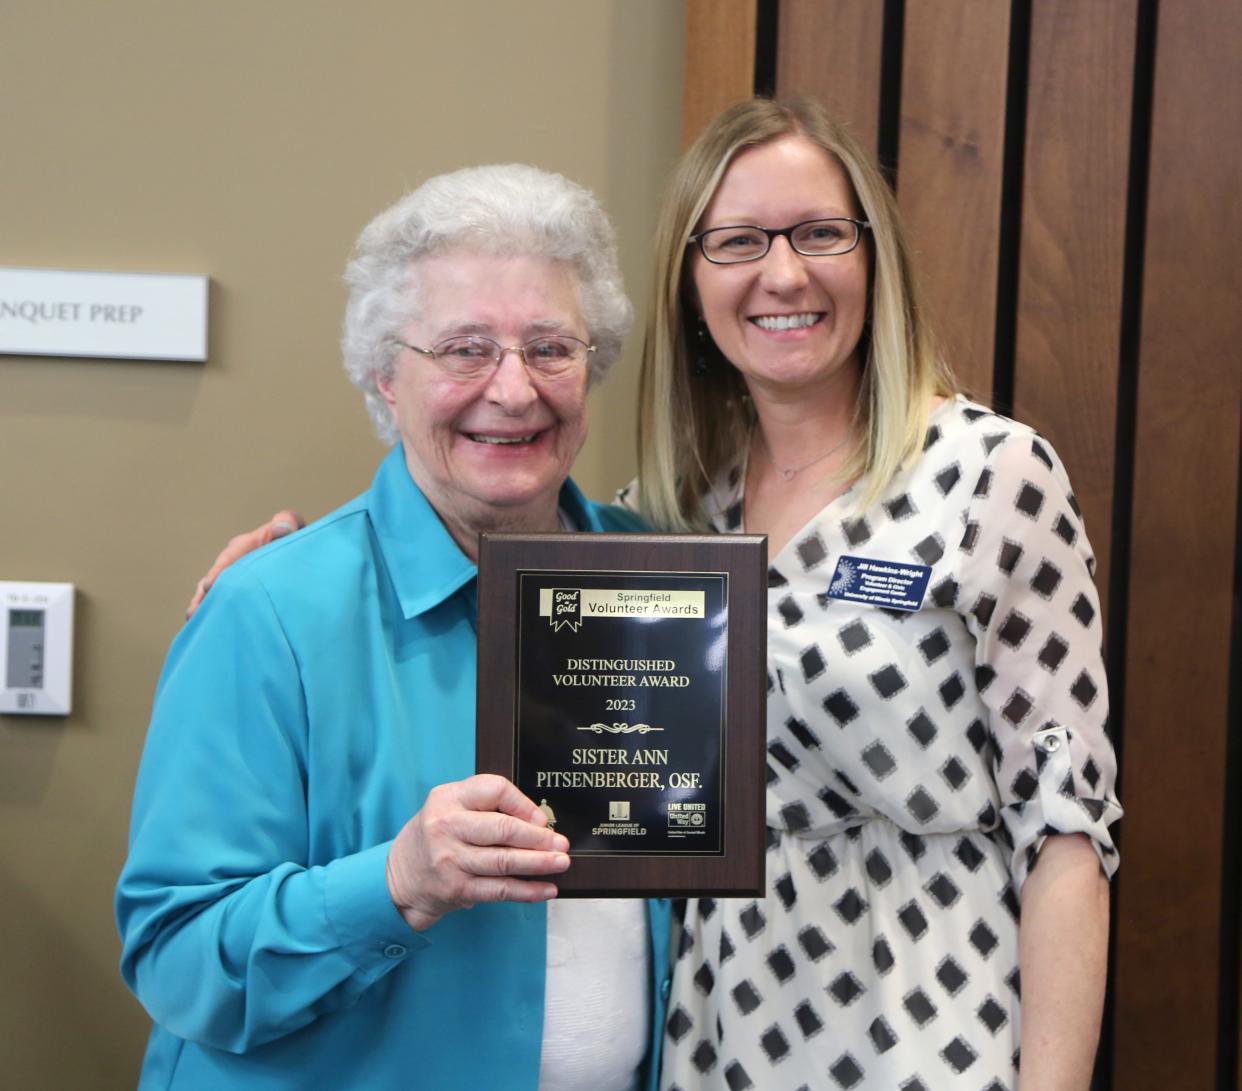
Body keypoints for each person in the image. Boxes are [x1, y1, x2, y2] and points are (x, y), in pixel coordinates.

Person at [116, 164, 671, 1090]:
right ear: (385, 374)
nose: (513, 389)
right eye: (463, 348)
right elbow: (176, 957)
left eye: (550, 346)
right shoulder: (270, 611)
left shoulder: (659, 581)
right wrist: (395, 883)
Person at [633, 98, 1121, 1089]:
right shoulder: (667, 513)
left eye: (820, 233)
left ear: (873, 258)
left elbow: (1066, 826)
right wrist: (284, 568)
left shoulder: (990, 475)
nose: (785, 273)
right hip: (717, 1036)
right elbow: (496, 609)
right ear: (689, 281)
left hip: (935, 1027)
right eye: (737, 241)